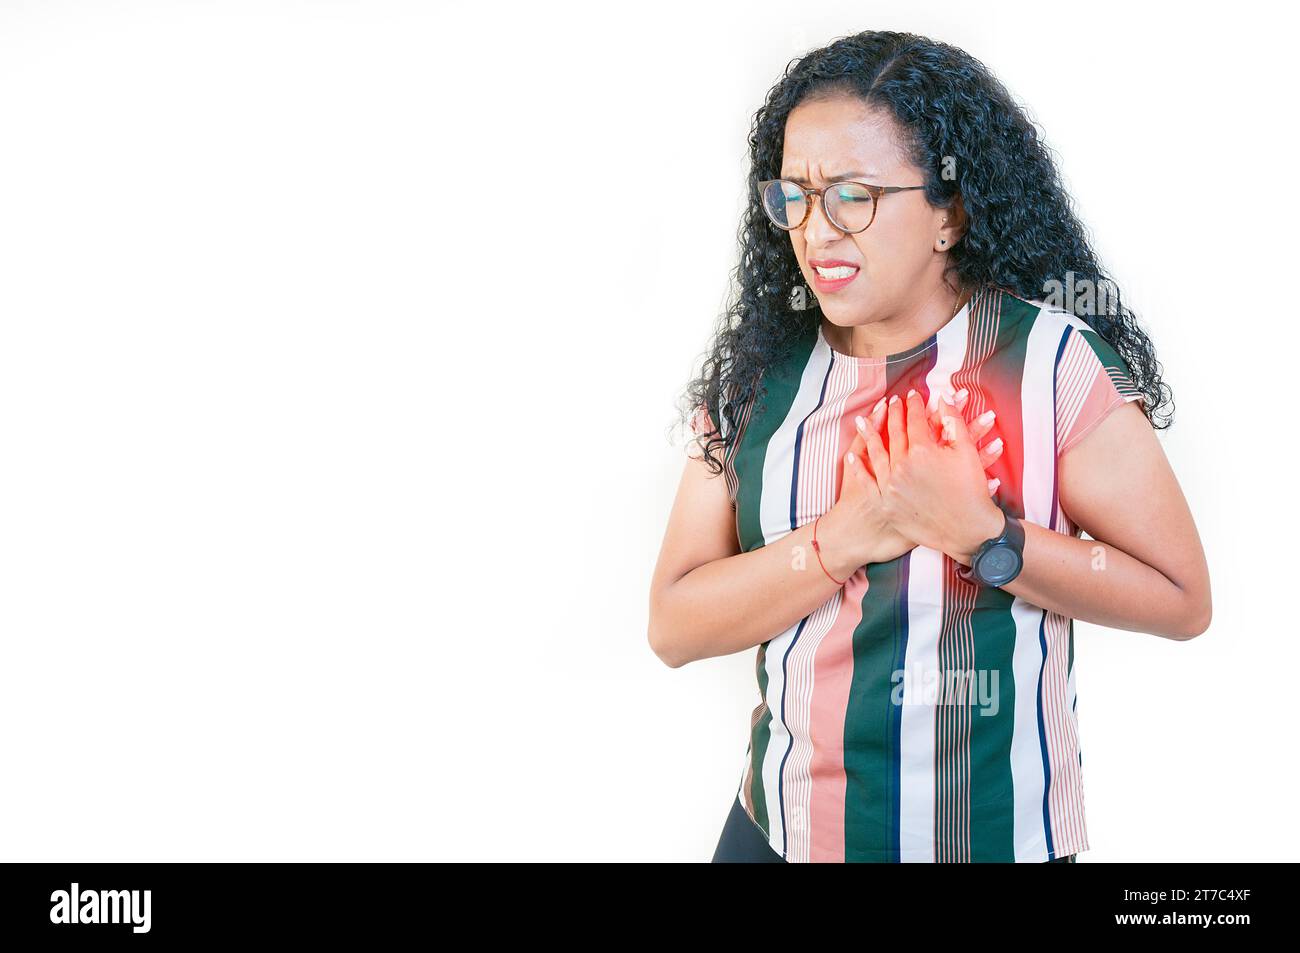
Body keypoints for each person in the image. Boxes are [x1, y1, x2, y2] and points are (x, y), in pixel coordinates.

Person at [647, 30, 1211, 863]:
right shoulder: (756, 377)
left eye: (853, 196)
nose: (815, 229)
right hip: (778, 836)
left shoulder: (1048, 364)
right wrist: (848, 535)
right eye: (795, 195)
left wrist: (985, 538)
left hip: (992, 844)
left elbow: (1181, 598)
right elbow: (674, 624)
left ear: (950, 211)